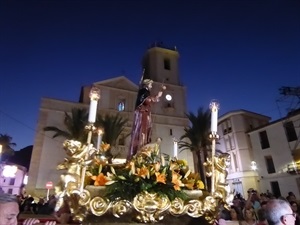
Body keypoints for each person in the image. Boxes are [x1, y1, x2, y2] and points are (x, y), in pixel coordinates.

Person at [127, 79, 165, 160]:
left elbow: (151, 100)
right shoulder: (143, 91)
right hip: (142, 115)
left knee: (146, 131)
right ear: (147, 85)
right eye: (150, 85)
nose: (151, 86)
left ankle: (144, 146)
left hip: (146, 114)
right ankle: (139, 149)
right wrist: (157, 96)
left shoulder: (145, 92)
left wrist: (159, 93)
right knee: (142, 132)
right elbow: (148, 100)